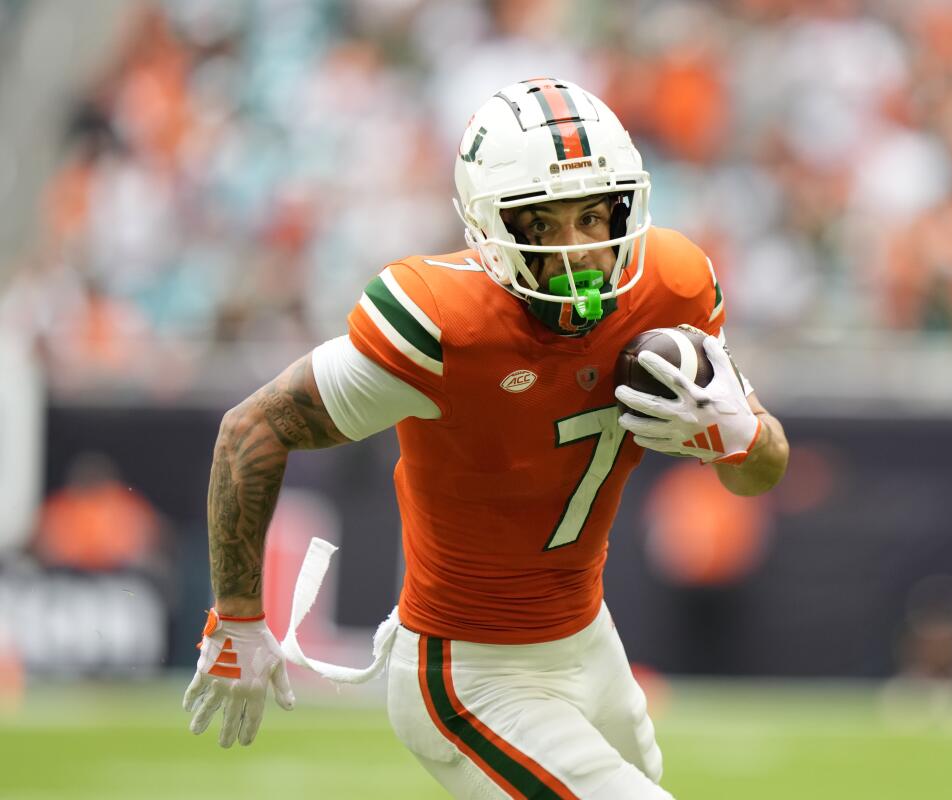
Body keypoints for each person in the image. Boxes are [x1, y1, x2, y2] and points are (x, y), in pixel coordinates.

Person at [183, 78, 789, 799]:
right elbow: (251, 429)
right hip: (468, 673)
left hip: (589, 638)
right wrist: (239, 619)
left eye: (595, 216)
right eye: (543, 224)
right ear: (495, 228)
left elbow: (761, 472)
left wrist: (739, 432)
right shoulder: (444, 324)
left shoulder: (674, 286)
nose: (578, 252)